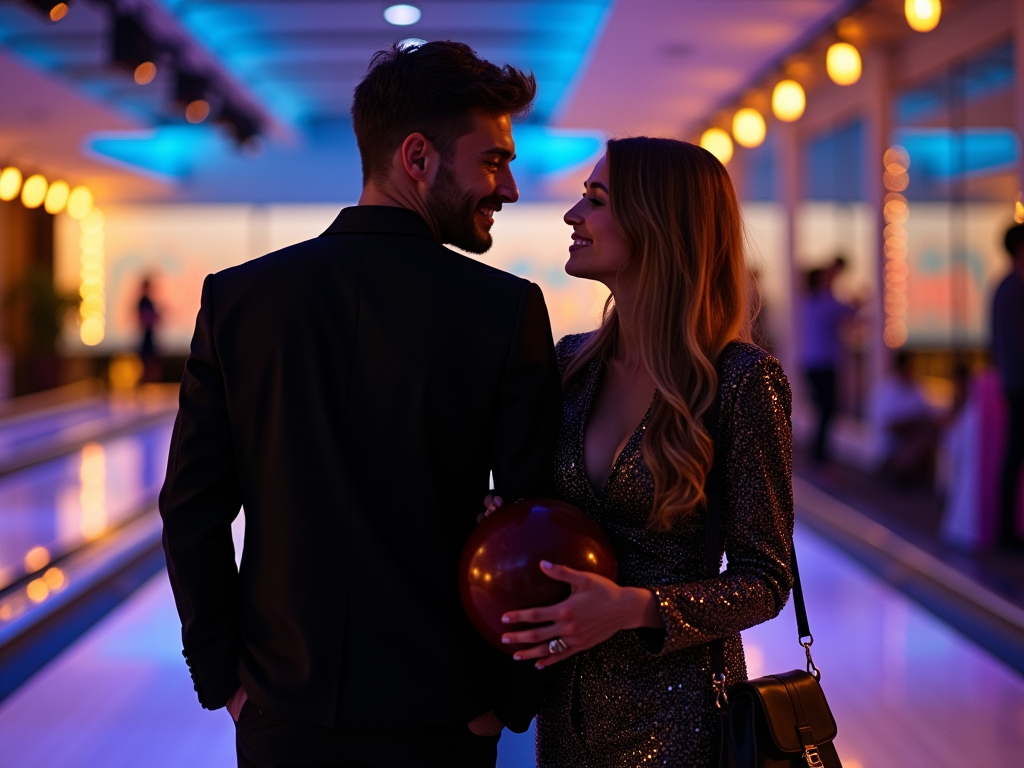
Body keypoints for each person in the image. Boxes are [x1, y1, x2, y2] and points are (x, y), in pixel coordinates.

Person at [159, 42, 562, 768]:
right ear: (418, 158)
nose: (510, 189)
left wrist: (227, 680)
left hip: (282, 709)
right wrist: (507, 699)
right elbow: (538, 524)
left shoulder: (241, 301)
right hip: (447, 716)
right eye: (494, 161)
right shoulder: (503, 311)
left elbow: (191, 507)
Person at [485, 138, 794, 766]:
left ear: (658, 225)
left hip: (682, 721)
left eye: (594, 201)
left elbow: (766, 579)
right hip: (566, 712)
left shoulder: (739, 380)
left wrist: (636, 607)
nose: (573, 216)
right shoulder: (570, 362)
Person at [798, 258, 856, 463]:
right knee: (827, 411)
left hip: (811, 363)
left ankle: (818, 455)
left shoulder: (808, 303)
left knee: (823, 410)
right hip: (824, 364)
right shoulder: (825, 302)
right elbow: (850, 312)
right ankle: (820, 458)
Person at [993, 223, 1024, 549]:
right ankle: (1006, 531)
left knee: (1013, 455)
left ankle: (1006, 528)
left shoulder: (1005, 286)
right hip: (1018, 383)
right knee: (1014, 455)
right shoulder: (1013, 287)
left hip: (1012, 381)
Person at [870, 350, 937, 484]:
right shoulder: (886, 392)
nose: (912, 371)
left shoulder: (917, 388)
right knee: (921, 437)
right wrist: (913, 423)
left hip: (911, 441)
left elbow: (927, 415)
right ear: (900, 368)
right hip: (891, 449)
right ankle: (897, 471)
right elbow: (887, 425)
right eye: (910, 367)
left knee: (927, 435)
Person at [137, 276, 160, 382]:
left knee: (151, 362)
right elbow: (144, 319)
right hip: (146, 335)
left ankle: (150, 385)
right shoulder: (143, 301)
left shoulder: (148, 301)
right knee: (148, 362)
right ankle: (147, 385)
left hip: (149, 335)